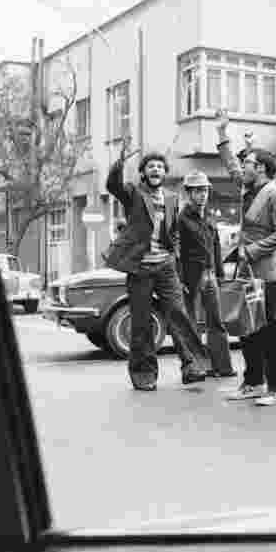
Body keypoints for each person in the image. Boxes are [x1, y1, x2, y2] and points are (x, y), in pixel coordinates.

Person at [103, 136, 211, 390]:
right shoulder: (133, 194)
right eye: (150, 166)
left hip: (165, 266)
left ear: (165, 173)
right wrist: (119, 161)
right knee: (141, 323)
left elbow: (173, 233)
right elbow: (113, 185)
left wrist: (175, 261)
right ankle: (144, 375)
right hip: (140, 268)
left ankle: (193, 366)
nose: (156, 169)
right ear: (142, 172)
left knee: (179, 315)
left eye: (160, 167)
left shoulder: (173, 199)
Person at [215, 110, 276, 407]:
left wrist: (252, 250)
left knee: (268, 330)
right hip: (247, 270)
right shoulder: (248, 187)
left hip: (267, 272)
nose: (242, 165)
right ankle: (252, 382)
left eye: (248, 162)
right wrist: (223, 133)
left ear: (260, 168)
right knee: (246, 327)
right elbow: (230, 164)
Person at [177, 171, 235, 378]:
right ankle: (198, 367)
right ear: (189, 193)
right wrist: (180, 278)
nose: (203, 195)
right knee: (191, 324)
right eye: (198, 191)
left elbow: (216, 246)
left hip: (210, 275)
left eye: (205, 190)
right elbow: (177, 251)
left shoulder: (209, 216)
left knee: (216, 321)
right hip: (191, 277)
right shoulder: (181, 218)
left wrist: (219, 273)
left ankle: (223, 367)